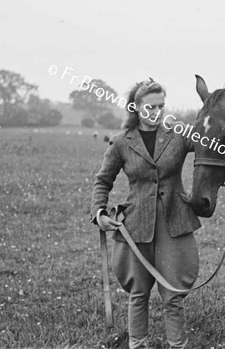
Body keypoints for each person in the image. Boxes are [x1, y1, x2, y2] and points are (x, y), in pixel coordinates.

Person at [90, 79, 200, 349]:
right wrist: (99, 212)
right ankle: (137, 345)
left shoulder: (179, 134)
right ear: (136, 108)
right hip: (136, 226)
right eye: (151, 107)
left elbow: (211, 147)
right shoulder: (121, 143)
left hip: (175, 222)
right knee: (138, 293)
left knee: (173, 295)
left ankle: (178, 345)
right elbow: (102, 181)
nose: (157, 112)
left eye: (161, 106)